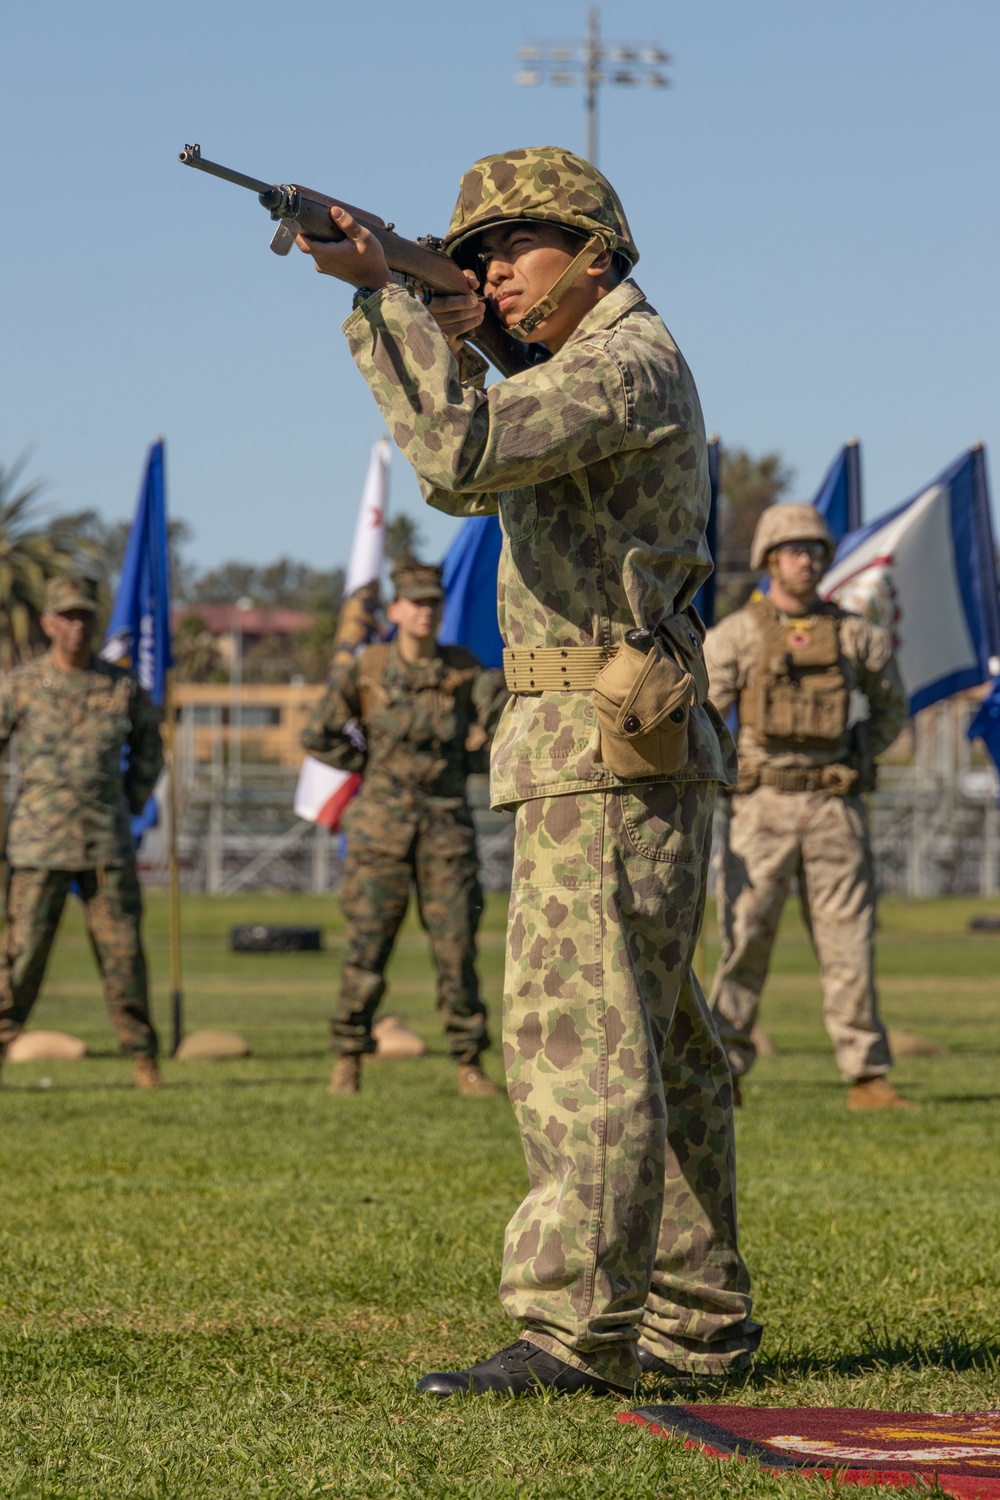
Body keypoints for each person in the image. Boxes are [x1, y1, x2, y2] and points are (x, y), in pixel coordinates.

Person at [296, 146, 761, 1398]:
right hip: (609, 741)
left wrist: (381, 299)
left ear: (596, 251)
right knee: (658, 1045)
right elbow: (490, 454)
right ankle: (692, 1315)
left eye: (517, 247)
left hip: (599, 746)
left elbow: (455, 461)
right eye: (474, 253)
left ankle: (572, 1330)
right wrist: (444, 320)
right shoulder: (603, 361)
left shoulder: (623, 359)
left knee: (582, 1040)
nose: (493, 268)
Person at [703, 503, 910, 1110]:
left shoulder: (854, 633)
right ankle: (726, 1068)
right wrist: (728, 773)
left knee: (850, 944)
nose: (807, 559)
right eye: (793, 549)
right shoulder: (736, 635)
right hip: (760, 806)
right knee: (743, 939)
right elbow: (708, 715)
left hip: (832, 805)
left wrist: (860, 757)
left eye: (815, 549)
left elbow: (892, 705)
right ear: (769, 558)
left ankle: (867, 1075)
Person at [301, 559, 507, 1098]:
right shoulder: (366, 669)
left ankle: (468, 1062)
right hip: (380, 835)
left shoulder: (463, 671)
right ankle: (348, 1056)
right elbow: (316, 731)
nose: (425, 611)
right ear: (395, 610)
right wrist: (366, 763)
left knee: (456, 953)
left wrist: (472, 759)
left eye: (433, 603)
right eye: (415, 602)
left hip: (446, 830)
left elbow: (504, 719)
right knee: (366, 952)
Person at [0, 575, 164, 1086]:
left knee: (123, 956)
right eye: (66, 616)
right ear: (48, 622)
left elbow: (149, 752)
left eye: (85, 616)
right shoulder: (21, 686)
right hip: (37, 844)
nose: (77, 626)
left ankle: (141, 1056)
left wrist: (128, 803)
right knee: (20, 956)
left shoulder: (120, 687)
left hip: (105, 843)